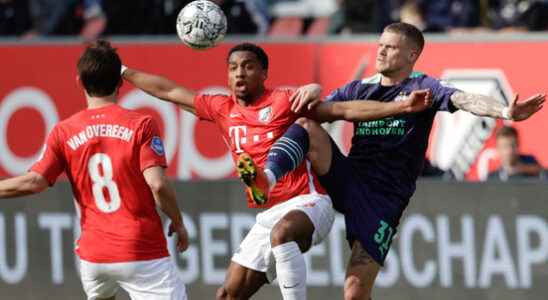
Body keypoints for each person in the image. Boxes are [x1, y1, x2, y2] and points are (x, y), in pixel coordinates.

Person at [240, 22, 545, 300]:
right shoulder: (360, 87)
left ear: (412, 55)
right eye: (380, 45)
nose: (381, 51)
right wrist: (314, 90)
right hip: (348, 178)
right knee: (307, 126)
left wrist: (505, 112)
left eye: (390, 47)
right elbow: (319, 109)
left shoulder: (423, 88)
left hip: (383, 200)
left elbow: (464, 99)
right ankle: (266, 177)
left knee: (355, 292)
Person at [121, 42, 431, 300]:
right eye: (233, 68)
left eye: (248, 66)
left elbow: (343, 109)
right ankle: (263, 182)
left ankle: (266, 178)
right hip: (270, 211)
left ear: (264, 73)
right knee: (228, 295)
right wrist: (123, 72)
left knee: (282, 233)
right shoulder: (221, 108)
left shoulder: (284, 101)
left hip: (310, 202)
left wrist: (401, 107)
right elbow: (170, 91)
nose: (240, 73)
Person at [0, 40, 189, 300]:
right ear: (120, 83)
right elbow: (157, 184)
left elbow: (34, 182)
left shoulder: (63, 131)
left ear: (79, 81)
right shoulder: (141, 124)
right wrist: (178, 221)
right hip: (140, 251)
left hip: (93, 257)